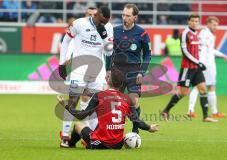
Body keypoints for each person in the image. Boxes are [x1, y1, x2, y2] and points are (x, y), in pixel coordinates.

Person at [57, 67, 159, 149]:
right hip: (118, 145)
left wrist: (65, 105)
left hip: (99, 143)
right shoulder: (127, 99)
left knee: (78, 125)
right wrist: (150, 128)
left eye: (108, 76)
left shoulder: (99, 96)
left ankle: (70, 144)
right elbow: (137, 121)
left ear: (109, 81)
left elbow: (81, 115)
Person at [58, 6, 113, 147]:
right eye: (102, 21)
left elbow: (108, 53)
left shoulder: (108, 28)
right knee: (73, 101)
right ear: (97, 15)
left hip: (97, 71)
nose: (104, 24)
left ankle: (94, 137)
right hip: (78, 69)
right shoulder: (79, 23)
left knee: (97, 104)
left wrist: (105, 37)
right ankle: (65, 136)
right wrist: (61, 63)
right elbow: (65, 41)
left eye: (106, 22)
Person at [161, 14, 218, 122]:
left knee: (203, 89)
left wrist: (199, 63)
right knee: (183, 92)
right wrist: (198, 62)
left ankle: (205, 116)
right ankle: (166, 110)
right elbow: (185, 52)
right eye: (192, 21)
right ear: (188, 21)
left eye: (197, 21)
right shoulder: (184, 34)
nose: (195, 23)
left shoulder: (196, 33)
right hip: (187, 68)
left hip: (196, 68)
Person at [106, 4, 152, 133]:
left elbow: (148, 54)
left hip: (134, 71)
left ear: (135, 17)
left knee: (133, 100)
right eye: (123, 15)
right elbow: (108, 52)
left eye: (128, 15)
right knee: (113, 102)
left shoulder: (142, 33)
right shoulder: (114, 31)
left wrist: (142, 72)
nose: (124, 18)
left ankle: (135, 130)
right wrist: (108, 70)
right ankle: (112, 129)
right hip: (117, 71)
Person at [188, 16, 227, 118]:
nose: (216, 27)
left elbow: (210, 50)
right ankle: (191, 110)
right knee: (200, 87)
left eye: (217, 25)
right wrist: (201, 63)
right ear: (208, 24)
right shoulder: (205, 34)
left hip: (208, 64)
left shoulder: (208, 34)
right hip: (205, 65)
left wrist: (221, 54)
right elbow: (201, 49)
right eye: (214, 25)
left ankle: (214, 112)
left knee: (209, 87)